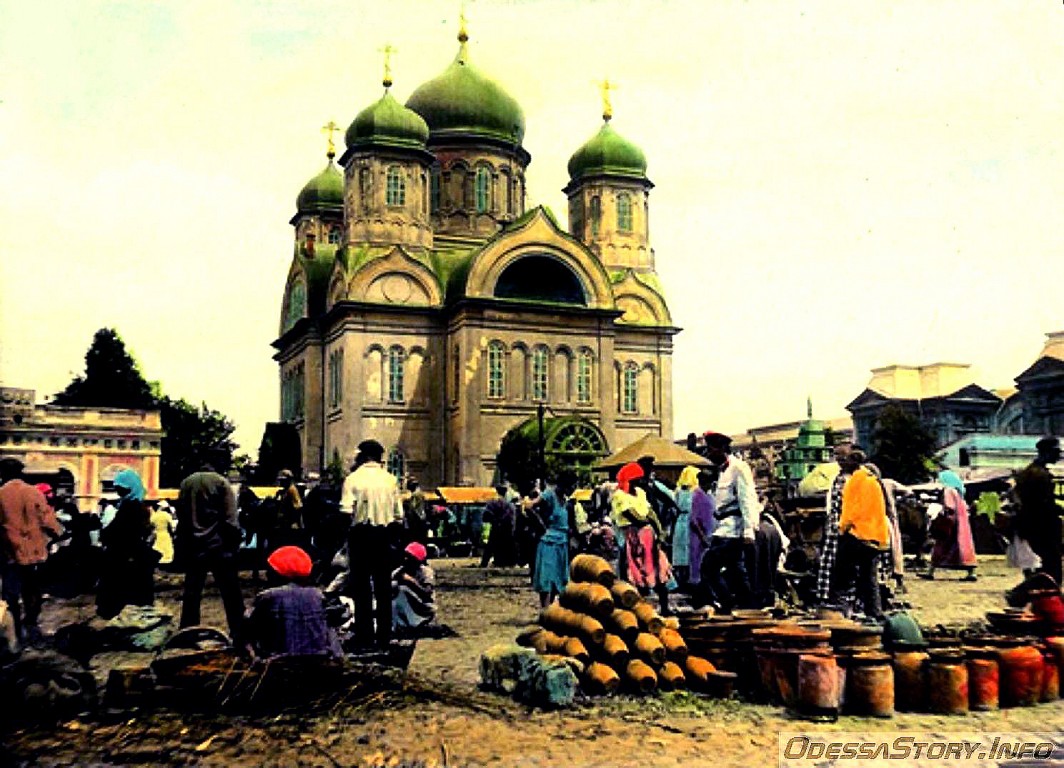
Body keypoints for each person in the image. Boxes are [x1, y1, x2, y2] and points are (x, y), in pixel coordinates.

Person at [340, 439, 403, 649]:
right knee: (384, 587)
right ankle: (384, 634)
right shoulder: (391, 480)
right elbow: (398, 515)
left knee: (361, 587)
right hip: (384, 536)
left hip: (361, 535)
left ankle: (365, 634)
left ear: (363, 456)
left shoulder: (353, 479)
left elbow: (346, 511)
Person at [176, 452, 246, 642]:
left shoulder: (186, 483)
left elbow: (181, 518)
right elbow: (231, 519)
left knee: (192, 592)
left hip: (194, 546)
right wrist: (234, 544)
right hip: (219, 546)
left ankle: (188, 632)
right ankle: (239, 631)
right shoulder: (222, 483)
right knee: (231, 593)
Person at [0, 458, 62, 644]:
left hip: (10, 553)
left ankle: (16, 632)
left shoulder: (1, 494)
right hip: (35, 554)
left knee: (11, 594)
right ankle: (31, 626)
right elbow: (48, 521)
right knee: (33, 591)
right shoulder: (34, 493)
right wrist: (55, 534)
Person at [244, 545, 342, 659]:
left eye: (270, 570)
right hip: (319, 658)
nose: (267, 574)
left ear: (276, 573)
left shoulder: (268, 596)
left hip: (279, 660)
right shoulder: (317, 595)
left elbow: (247, 629)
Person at [700, 432, 760, 613]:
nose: (708, 454)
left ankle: (728, 604)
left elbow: (747, 499)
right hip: (723, 527)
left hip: (733, 529)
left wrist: (749, 530)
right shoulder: (721, 471)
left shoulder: (739, 468)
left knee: (708, 567)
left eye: (711, 449)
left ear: (722, 449)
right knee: (735, 571)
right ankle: (748, 604)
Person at [611, 463, 672, 614]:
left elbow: (650, 512)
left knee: (659, 571)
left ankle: (665, 607)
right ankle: (638, 611)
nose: (641, 482)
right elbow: (629, 513)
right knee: (636, 574)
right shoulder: (619, 495)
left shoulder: (640, 492)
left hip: (648, 536)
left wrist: (658, 530)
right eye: (637, 479)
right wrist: (644, 524)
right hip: (633, 537)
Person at [96, 469, 156, 619]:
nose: (119, 492)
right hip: (133, 556)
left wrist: (105, 534)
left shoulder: (130, 508)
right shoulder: (136, 506)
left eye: (122, 489)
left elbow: (118, 531)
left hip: (126, 558)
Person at [835, 452, 889, 618]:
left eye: (847, 460)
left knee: (842, 574)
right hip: (875, 537)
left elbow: (851, 510)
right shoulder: (874, 480)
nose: (844, 464)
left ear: (855, 463)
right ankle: (874, 612)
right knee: (869, 577)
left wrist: (842, 528)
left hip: (857, 535)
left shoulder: (856, 481)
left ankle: (841, 610)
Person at [1014, 436, 1062, 586]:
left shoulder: (1028, 472)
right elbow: (1043, 503)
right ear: (1047, 452)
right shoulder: (1039, 475)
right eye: (1056, 451)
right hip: (1042, 526)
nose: (1059, 455)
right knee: (1051, 565)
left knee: (1044, 564)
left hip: (1031, 525)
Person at [816, 443, 857, 607]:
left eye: (843, 456)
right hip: (834, 527)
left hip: (848, 528)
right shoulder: (838, 478)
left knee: (846, 566)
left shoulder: (855, 479)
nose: (840, 460)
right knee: (829, 563)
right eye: (837, 456)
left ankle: (846, 600)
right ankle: (828, 597)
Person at [532, 471, 577, 608]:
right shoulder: (549, 495)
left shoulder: (566, 501)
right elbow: (530, 506)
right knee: (546, 577)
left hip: (562, 542)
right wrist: (541, 525)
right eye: (571, 487)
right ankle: (545, 609)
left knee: (559, 578)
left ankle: (552, 608)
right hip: (549, 542)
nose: (572, 490)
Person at [925, 469, 978, 581]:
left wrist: (940, 514)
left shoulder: (948, 490)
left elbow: (949, 507)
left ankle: (930, 572)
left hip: (950, 523)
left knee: (940, 547)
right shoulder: (958, 492)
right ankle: (971, 573)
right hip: (962, 524)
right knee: (963, 547)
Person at [392, 541, 437, 632]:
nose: (405, 559)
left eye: (409, 557)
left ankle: (414, 622)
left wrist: (411, 582)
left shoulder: (426, 572)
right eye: (405, 556)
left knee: (402, 589)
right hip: (407, 606)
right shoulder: (400, 570)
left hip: (423, 608)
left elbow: (427, 594)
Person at [687, 468, 718, 596]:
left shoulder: (710, 495)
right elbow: (693, 521)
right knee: (697, 564)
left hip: (711, 534)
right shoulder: (696, 495)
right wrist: (702, 537)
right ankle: (699, 594)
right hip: (699, 537)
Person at [671, 466, 699, 586]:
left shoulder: (677, 491)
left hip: (680, 521)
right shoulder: (697, 491)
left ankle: (680, 579)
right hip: (692, 520)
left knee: (680, 550)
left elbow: (673, 507)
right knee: (690, 550)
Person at [480, 485, 517, 567]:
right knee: (506, 546)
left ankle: (484, 563)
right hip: (507, 529)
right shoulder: (510, 505)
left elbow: (486, 516)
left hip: (496, 528)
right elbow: (512, 519)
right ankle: (506, 562)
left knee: (490, 546)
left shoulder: (492, 502)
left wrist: (494, 521)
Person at [150, 501, 176, 568]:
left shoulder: (154, 515)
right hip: (165, 534)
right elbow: (172, 525)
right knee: (166, 549)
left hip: (157, 534)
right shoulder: (166, 515)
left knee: (158, 547)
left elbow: (151, 525)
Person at [403, 479, 428, 546]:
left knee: (415, 538)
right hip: (422, 518)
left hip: (417, 519)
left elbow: (413, 507)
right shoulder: (420, 493)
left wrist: (406, 503)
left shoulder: (415, 494)